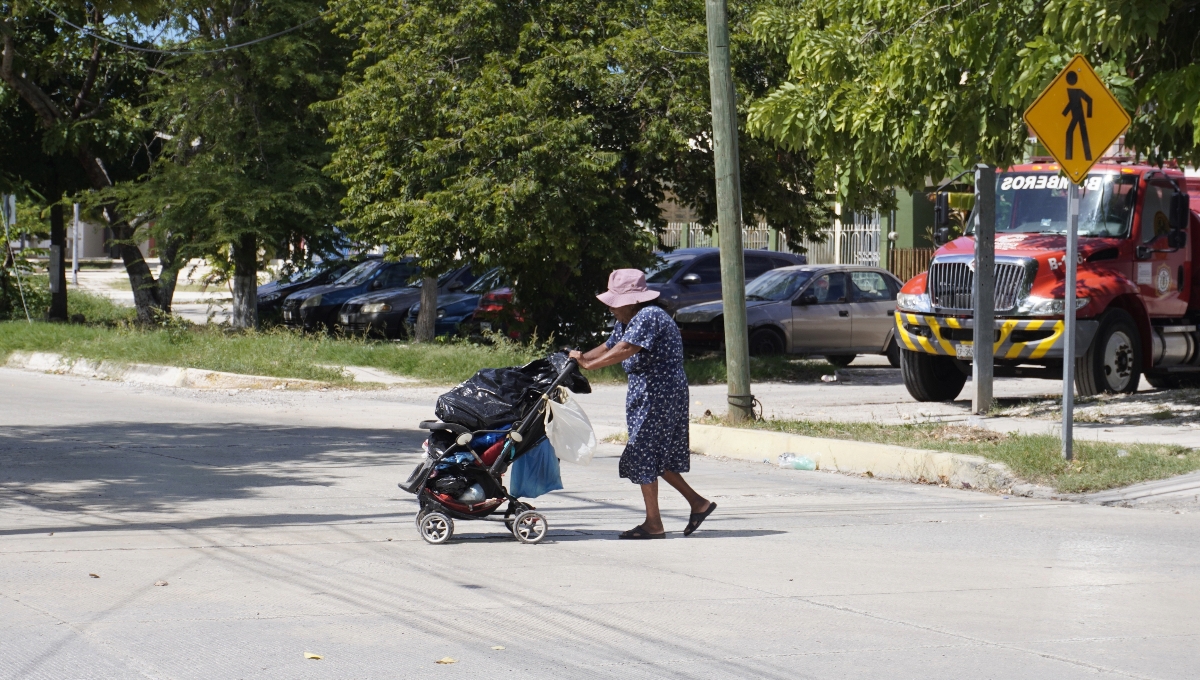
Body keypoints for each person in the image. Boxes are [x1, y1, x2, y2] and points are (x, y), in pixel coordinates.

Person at [569, 269, 716, 539]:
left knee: (643, 451)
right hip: (646, 391)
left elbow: (626, 349)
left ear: (633, 300)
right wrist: (578, 360)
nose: (612, 308)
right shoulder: (628, 319)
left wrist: (589, 364)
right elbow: (611, 345)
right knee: (656, 454)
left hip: (659, 392)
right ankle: (698, 503)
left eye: (616, 302)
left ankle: (654, 523)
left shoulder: (649, 316)